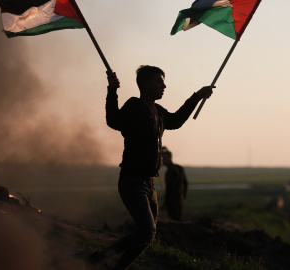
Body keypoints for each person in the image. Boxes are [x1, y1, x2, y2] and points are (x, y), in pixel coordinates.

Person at [90, 65, 213, 270]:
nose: (164, 86)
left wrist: (198, 96)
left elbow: (176, 121)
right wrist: (112, 90)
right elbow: (113, 120)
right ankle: (101, 257)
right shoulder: (133, 106)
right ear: (145, 84)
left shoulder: (159, 112)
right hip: (132, 181)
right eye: (159, 81)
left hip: (150, 184)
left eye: (163, 82)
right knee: (147, 232)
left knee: (148, 237)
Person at [161, 146, 188, 221]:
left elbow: (170, 189)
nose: (162, 160)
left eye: (164, 158)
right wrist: (184, 193)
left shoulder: (170, 172)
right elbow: (185, 183)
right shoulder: (179, 168)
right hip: (179, 197)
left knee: (175, 218)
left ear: (169, 158)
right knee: (178, 216)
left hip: (173, 199)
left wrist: (166, 203)